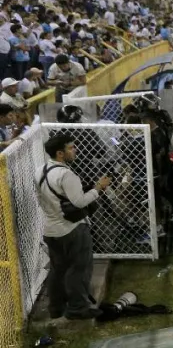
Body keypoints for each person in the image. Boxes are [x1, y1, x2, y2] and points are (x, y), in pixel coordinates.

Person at [38, 133, 111, 320]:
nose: (75, 150)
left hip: (50, 229)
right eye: (71, 148)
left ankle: (56, 307)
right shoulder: (65, 174)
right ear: (60, 153)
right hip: (71, 229)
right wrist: (98, 188)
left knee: (58, 269)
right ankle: (78, 308)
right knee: (79, 268)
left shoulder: (40, 171)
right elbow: (79, 202)